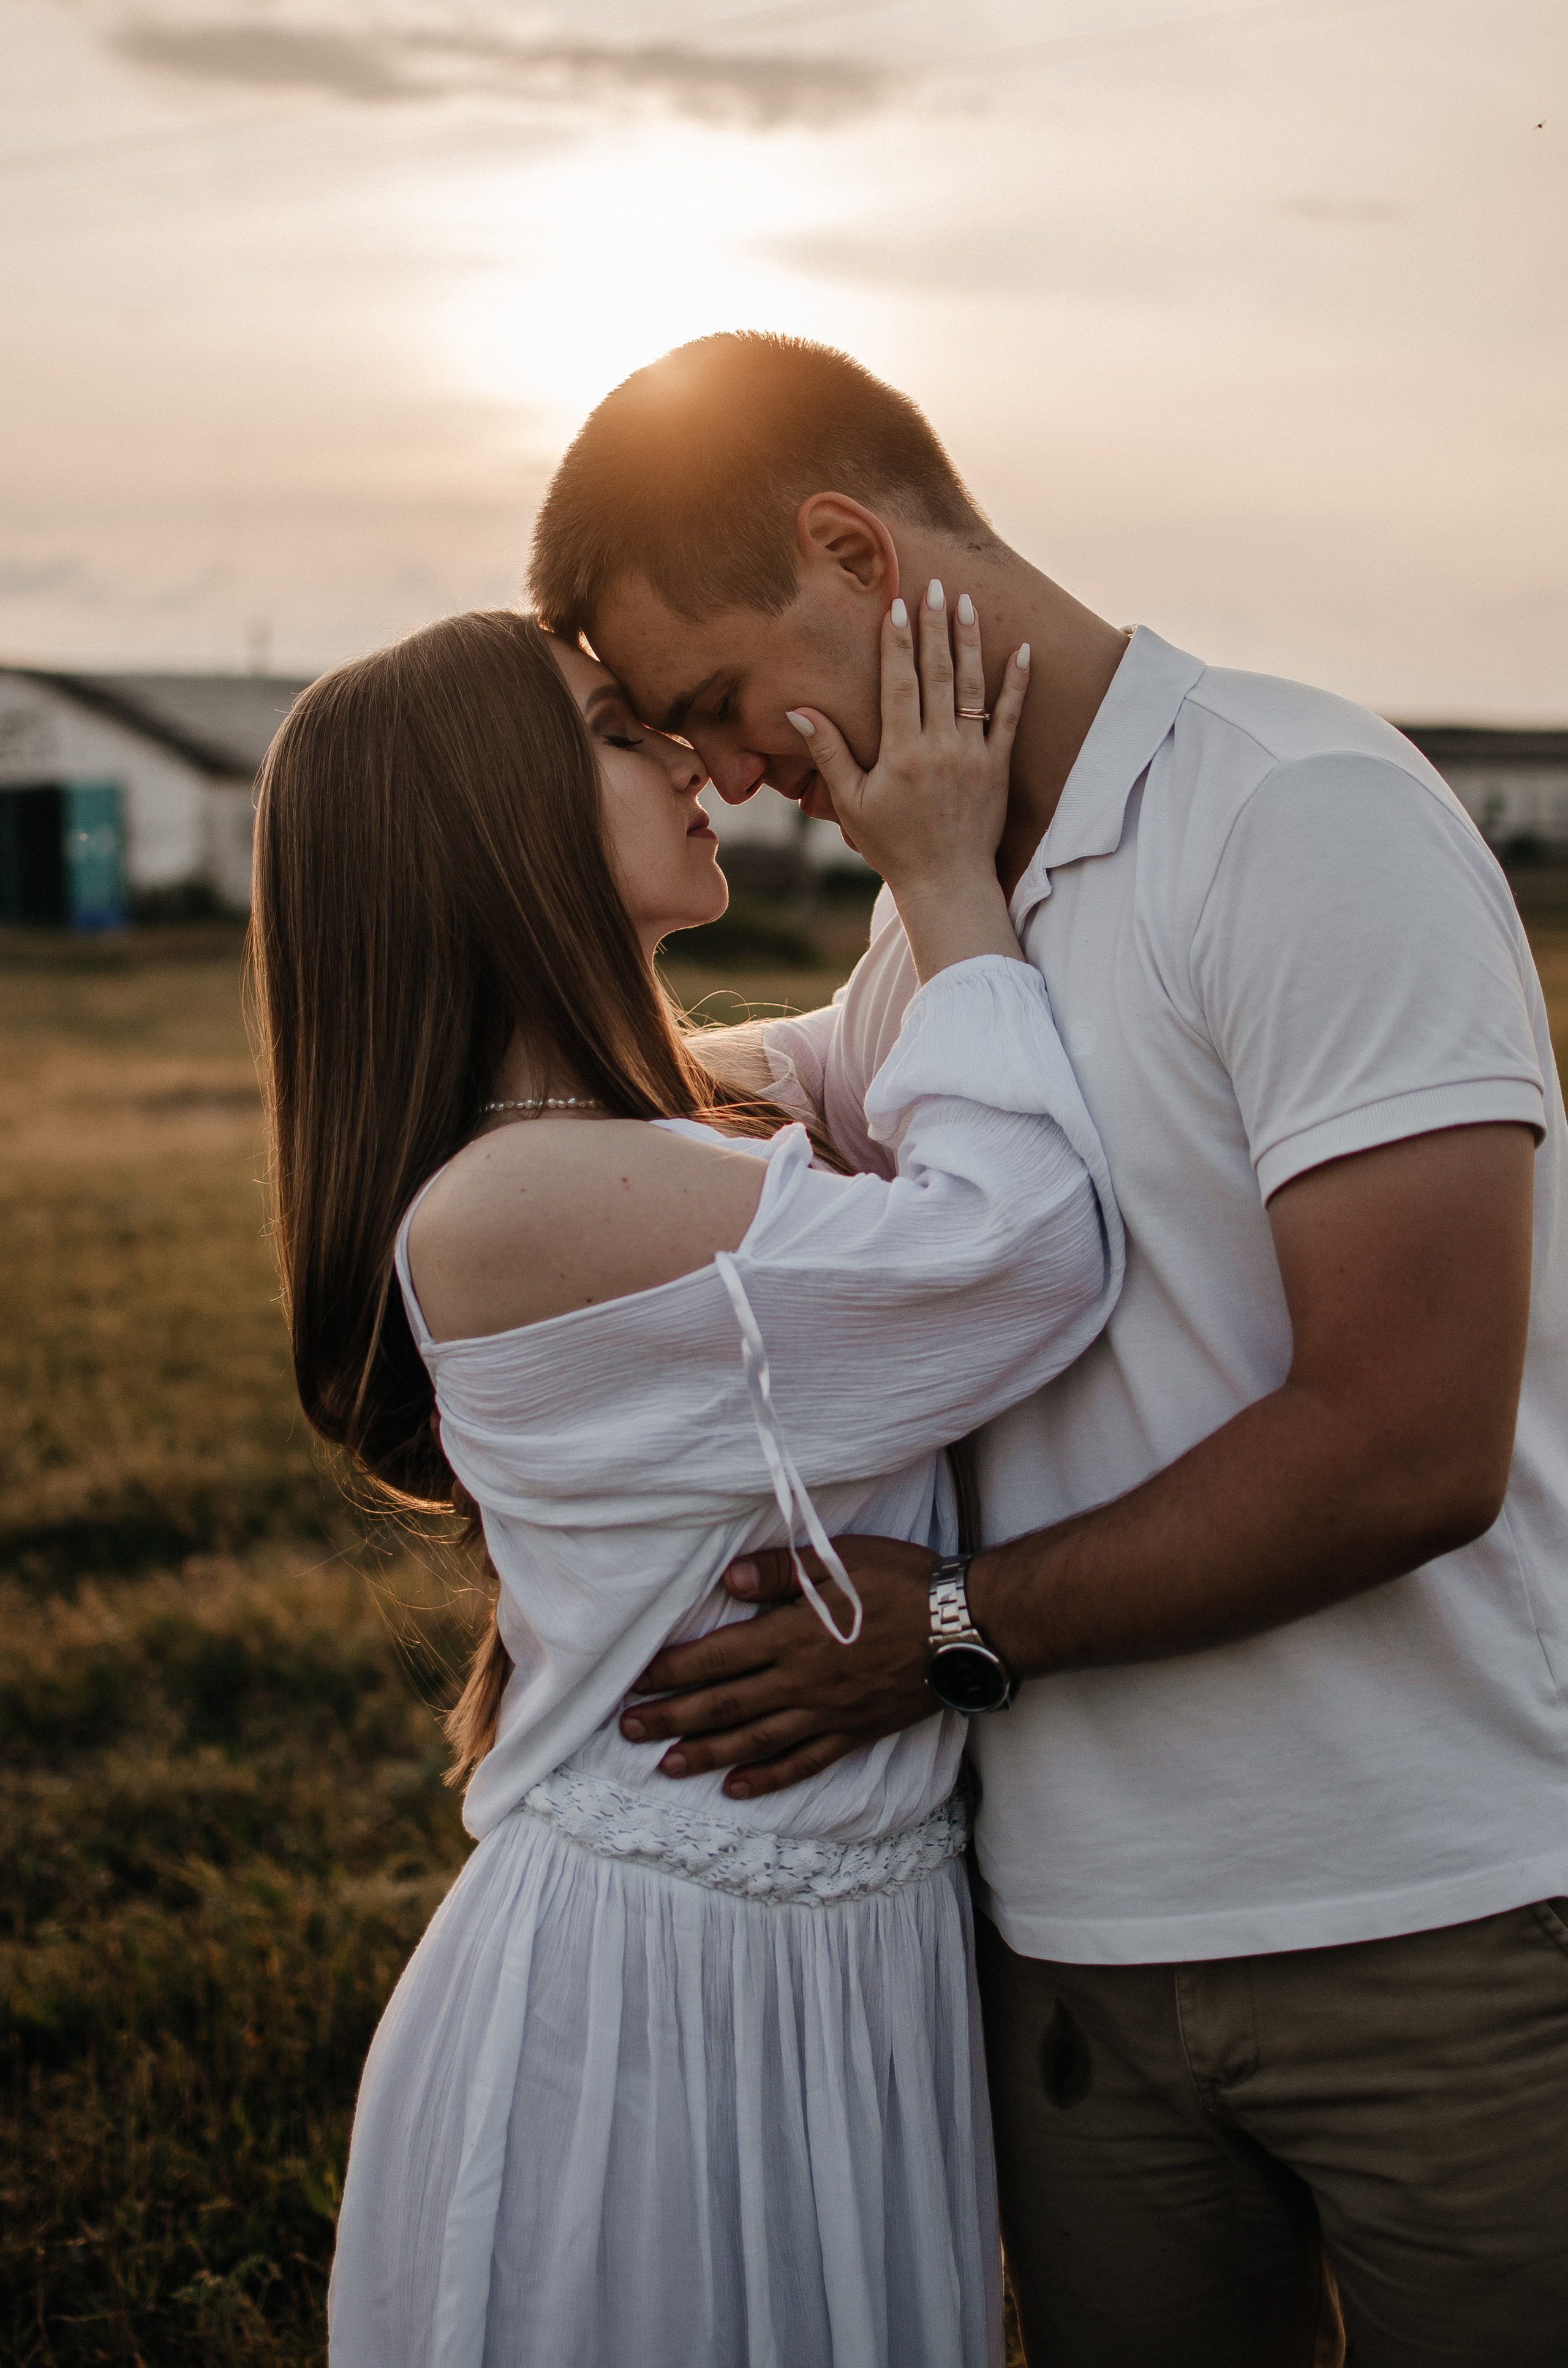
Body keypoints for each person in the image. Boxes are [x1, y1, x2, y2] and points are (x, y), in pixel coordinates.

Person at [529, 330, 1568, 2368]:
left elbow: (1407, 1439)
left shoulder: (1303, 813)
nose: (729, 772)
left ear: (849, 546)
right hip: (1071, 1952)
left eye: (717, 702)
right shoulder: (935, 923)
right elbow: (715, 1111)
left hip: (1438, 1920)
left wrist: (943, 1630)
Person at [249, 601, 1123, 2368]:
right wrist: (946, 881)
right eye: (613, 728)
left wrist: (894, 813)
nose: (680, 751)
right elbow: (1025, 1249)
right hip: (656, 2012)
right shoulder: (521, 1199)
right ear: (482, 819)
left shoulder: (648, 1125)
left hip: (835, 1972)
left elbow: (868, 1055)